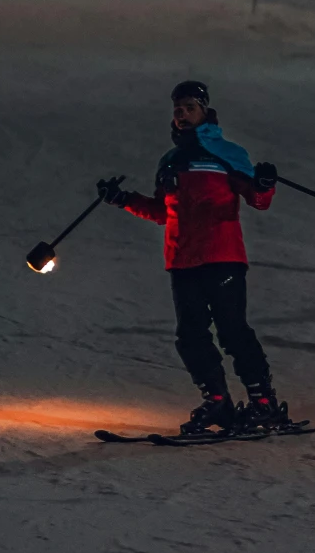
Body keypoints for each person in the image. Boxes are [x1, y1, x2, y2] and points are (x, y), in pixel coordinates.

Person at [100, 79, 283, 436]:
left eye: (190, 108)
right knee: (190, 335)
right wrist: (122, 199)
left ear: (205, 111)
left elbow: (259, 202)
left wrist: (263, 184)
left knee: (232, 332)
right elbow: (164, 212)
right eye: (177, 109)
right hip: (182, 260)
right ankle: (217, 401)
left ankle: (264, 403)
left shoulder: (228, 154)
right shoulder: (170, 161)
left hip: (222, 255)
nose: (182, 115)